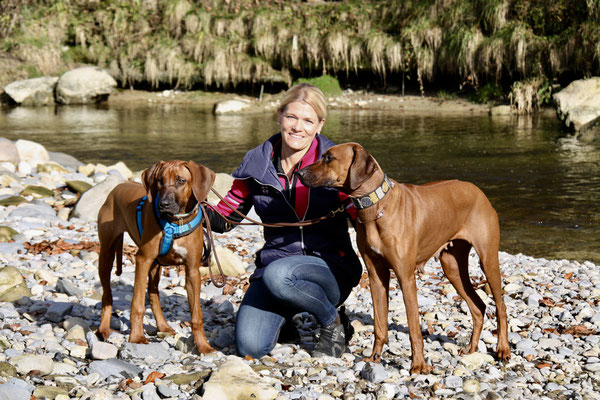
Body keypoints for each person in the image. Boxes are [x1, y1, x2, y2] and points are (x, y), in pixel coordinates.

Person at [206, 83, 363, 359]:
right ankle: (295, 317)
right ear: (279, 116)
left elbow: (364, 218)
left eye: (308, 120)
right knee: (250, 347)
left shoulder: (336, 163)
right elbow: (227, 218)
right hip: (274, 266)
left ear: (320, 125)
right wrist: (190, 206)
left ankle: (332, 321)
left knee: (280, 275)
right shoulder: (257, 162)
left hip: (329, 267)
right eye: (291, 117)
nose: (297, 127)